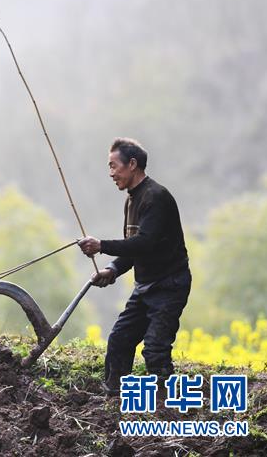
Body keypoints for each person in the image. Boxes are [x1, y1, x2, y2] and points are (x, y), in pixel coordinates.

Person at [78, 137, 191, 396]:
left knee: (154, 349)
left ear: (132, 164)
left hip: (169, 285)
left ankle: (167, 406)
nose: (111, 173)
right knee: (120, 339)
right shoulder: (131, 200)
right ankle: (114, 397)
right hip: (145, 287)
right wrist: (113, 270)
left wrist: (101, 245)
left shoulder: (156, 197)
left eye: (113, 166)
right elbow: (133, 248)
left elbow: (144, 244)